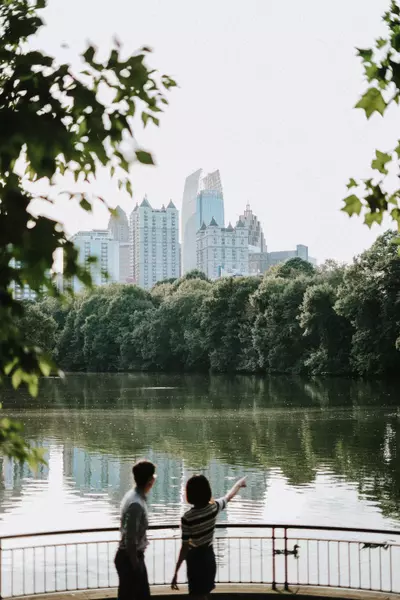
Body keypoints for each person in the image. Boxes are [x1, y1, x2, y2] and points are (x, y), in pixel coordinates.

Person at [171, 474, 246, 598]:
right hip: (209, 557)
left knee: (195, 594)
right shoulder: (214, 508)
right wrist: (238, 484)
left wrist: (176, 572)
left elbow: (184, 547)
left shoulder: (187, 518)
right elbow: (228, 497)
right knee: (205, 593)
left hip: (195, 559)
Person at [115, 459, 156, 600]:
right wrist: (135, 565)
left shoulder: (134, 496)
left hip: (131, 557)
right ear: (150, 480)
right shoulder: (136, 504)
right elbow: (130, 538)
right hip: (130, 558)